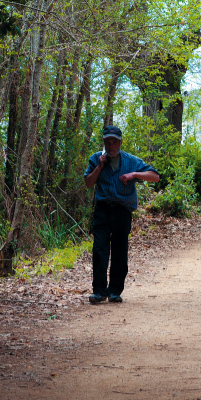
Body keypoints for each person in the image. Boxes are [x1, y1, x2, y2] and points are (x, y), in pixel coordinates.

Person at [82, 125, 160, 304]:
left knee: (120, 251)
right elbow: (88, 183)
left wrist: (134, 174)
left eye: (114, 142)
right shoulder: (96, 159)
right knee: (100, 249)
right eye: (108, 142)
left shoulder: (130, 161)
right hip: (102, 209)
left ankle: (115, 291)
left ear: (120, 143)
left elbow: (155, 176)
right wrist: (99, 167)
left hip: (123, 211)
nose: (111, 146)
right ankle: (100, 292)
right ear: (104, 143)